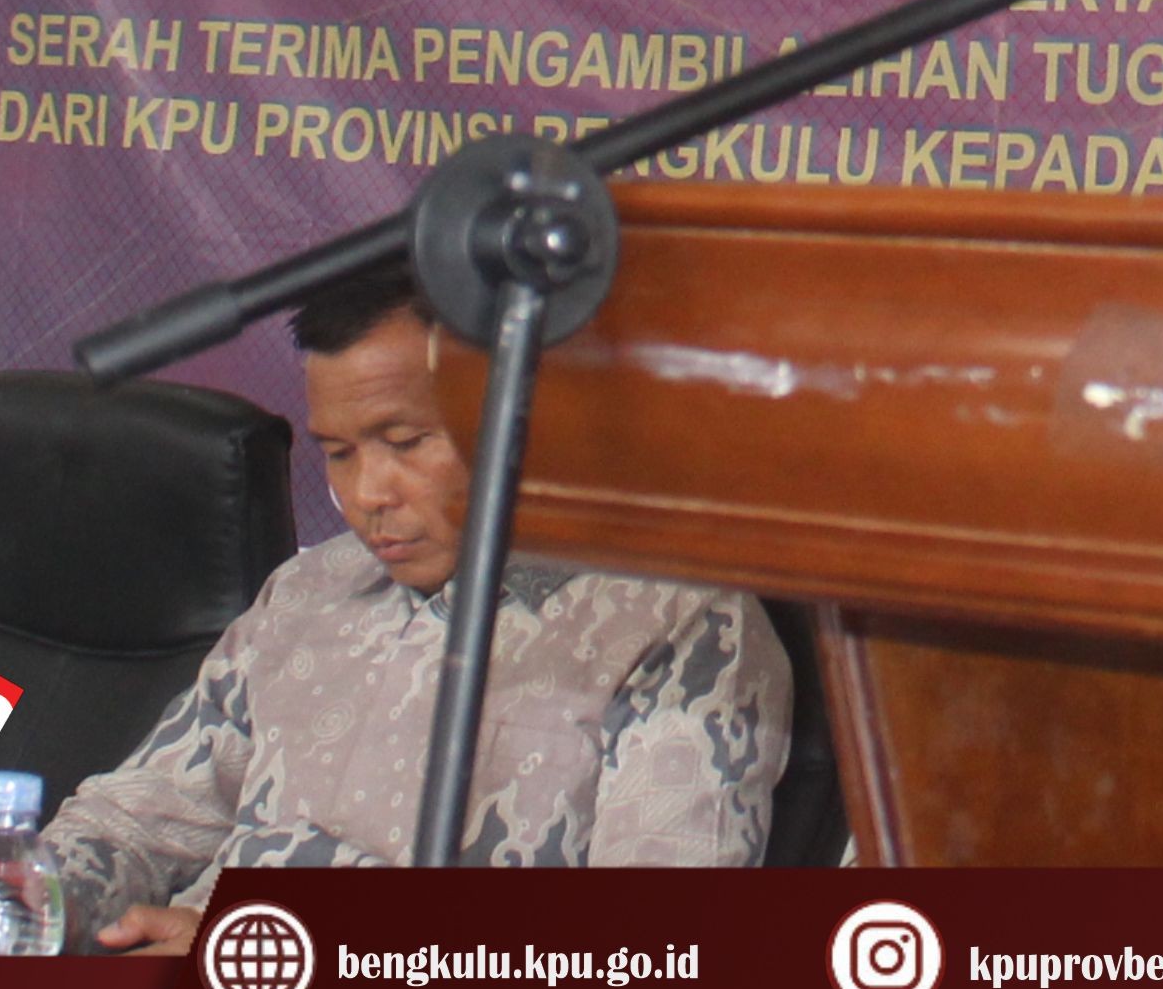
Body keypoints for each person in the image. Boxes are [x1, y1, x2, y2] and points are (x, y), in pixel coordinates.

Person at [43, 256, 790, 950]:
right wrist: (29, 900)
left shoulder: (676, 624)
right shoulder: (307, 592)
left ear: (525, 411)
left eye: (405, 441)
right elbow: (133, 821)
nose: (367, 494)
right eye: (339, 454)